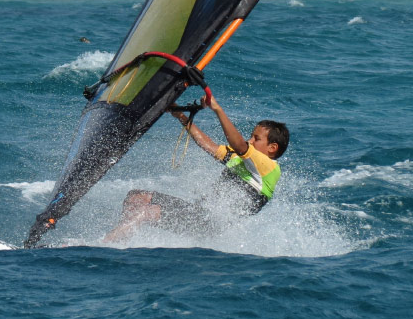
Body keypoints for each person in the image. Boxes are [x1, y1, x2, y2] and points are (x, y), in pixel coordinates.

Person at [102, 94, 289, 243]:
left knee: (148, 212)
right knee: (135, 197)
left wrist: (217, 109)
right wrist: (181, 116)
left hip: (212, 224)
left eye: (256, 138)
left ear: (272, 148)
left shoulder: (269, 167)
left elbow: (239, 144)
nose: (250, 140)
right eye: (251, 136)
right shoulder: (241, 161)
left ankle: (105, 245)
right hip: (199, 213)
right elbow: (208, 145)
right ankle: (121, 238)